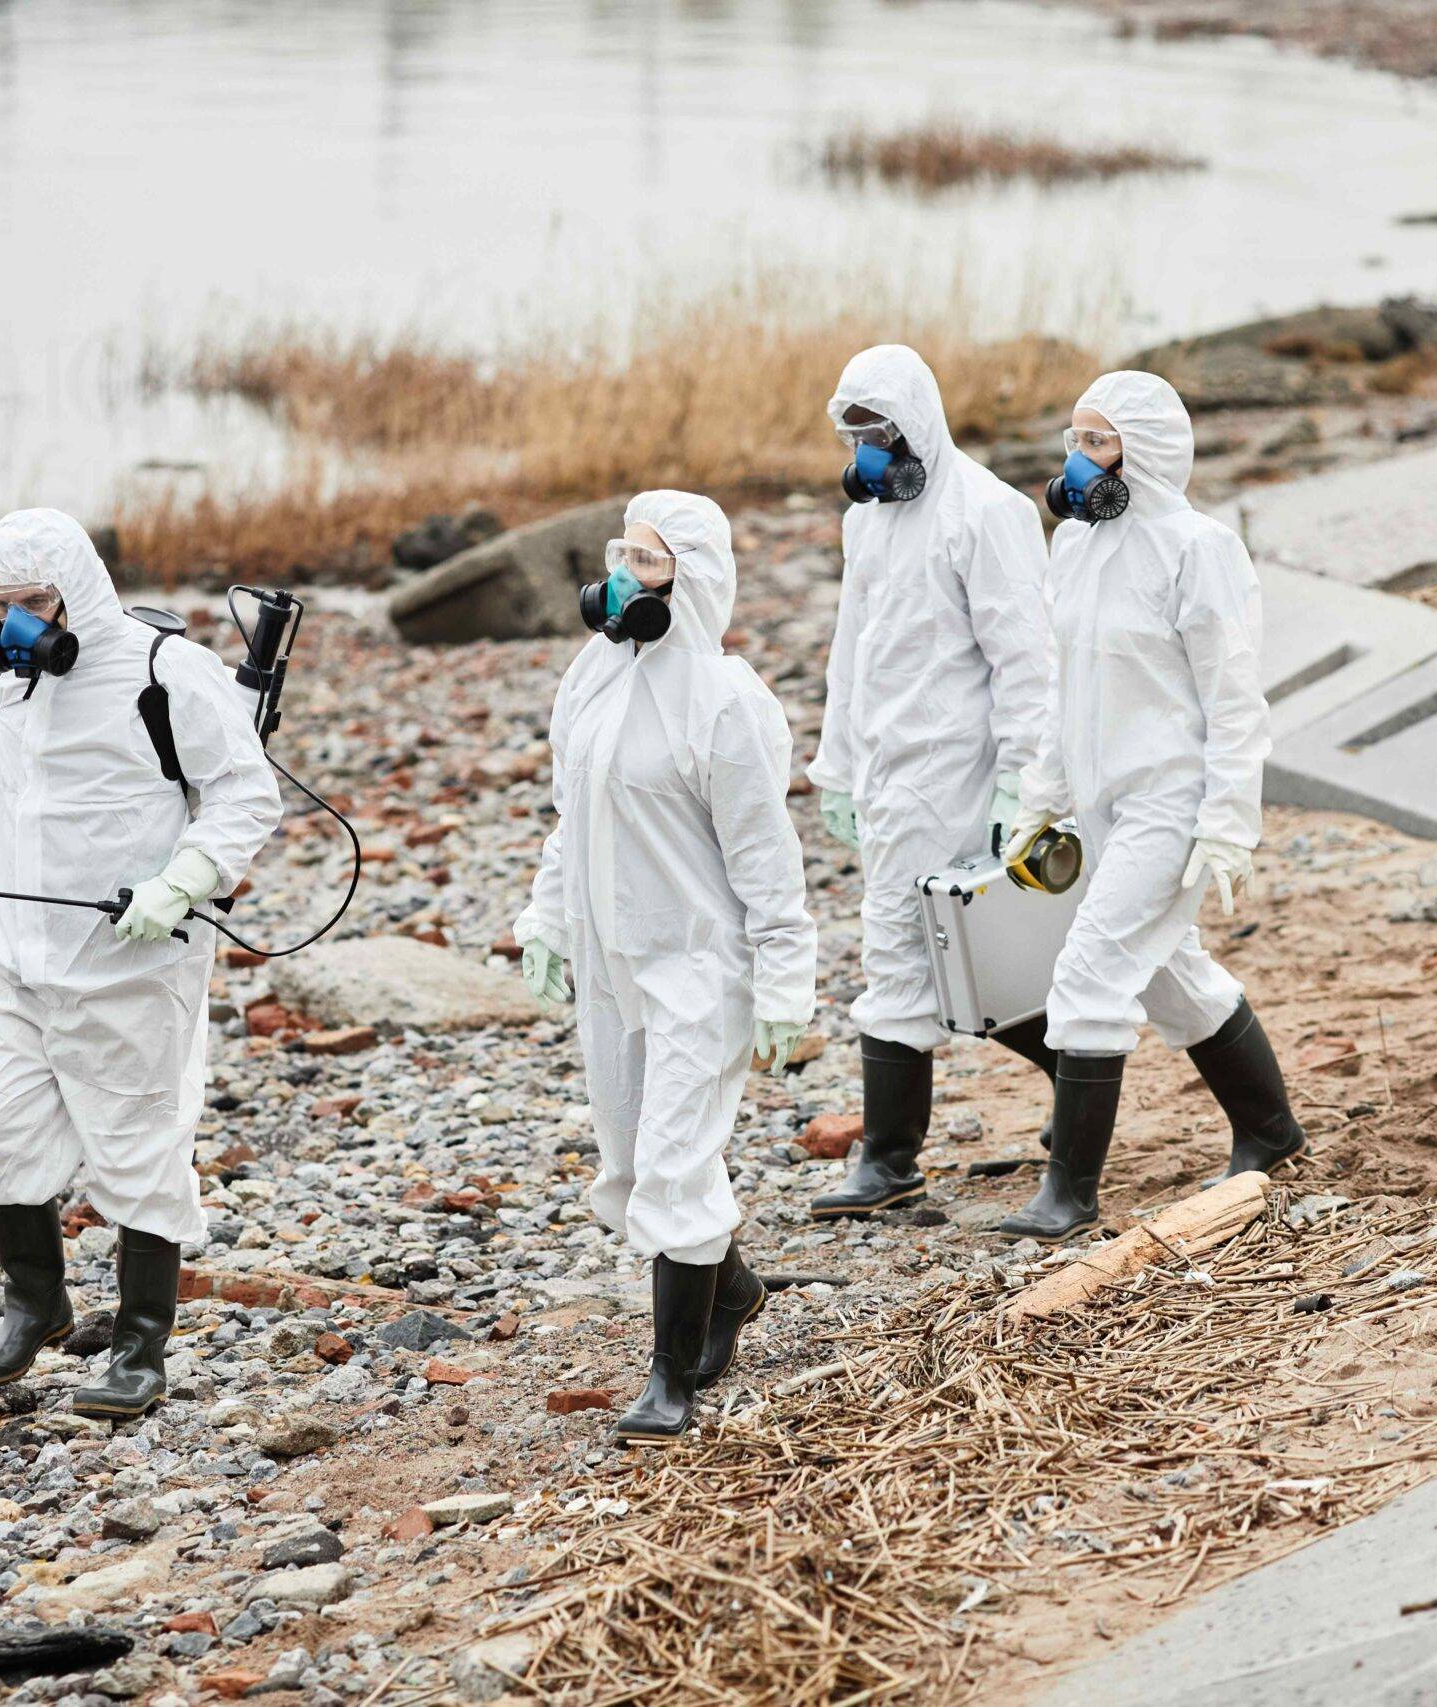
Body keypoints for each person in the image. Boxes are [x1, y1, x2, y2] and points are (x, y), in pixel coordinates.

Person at [0, 508, 282, 1417]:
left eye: (35, 601)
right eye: (1, 602)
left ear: (79, 591)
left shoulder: (164, 670)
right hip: (13, 953)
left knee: (140, 1148)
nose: (17, 621)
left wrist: (183, 881)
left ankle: (138, 1347)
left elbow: (247, 791)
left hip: (133, 956)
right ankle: (35, 1300)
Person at [516, 491, 817, 1445]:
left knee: (678, 1167)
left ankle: (670, 1375)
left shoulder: (729, 705)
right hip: (615, 961)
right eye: (619, 555)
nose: (620, 578)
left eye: (646, 563)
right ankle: (731, 1292)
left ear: (692, 579)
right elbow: (576, 816)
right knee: (632, 1163)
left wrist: (783, 981)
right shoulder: (594, 673)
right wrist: (546, 920)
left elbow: (768, 860)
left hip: (699, 965)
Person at [999, 372, 1304, 1241]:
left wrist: (1227, 821)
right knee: (1171, 976)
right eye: (1073, 436)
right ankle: (1272, 1131)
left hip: (1171, 802)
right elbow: (1069, 688)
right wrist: (1043, 798)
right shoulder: (1078, 547)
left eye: (1096, 440)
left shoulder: (1199, 548)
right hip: (1102, 804)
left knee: (1091, 974)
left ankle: (1071, 1194)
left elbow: (1234, 696)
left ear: (1147, 449)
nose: (1075, 456)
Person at [806, 345, 1056, 1220]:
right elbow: (852, 651)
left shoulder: (988, 512)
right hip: (884, 770)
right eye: (856, 431)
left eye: (882, 428)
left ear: (921, 419)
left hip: (961, 768)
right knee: (952, 956)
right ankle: (1079, 1075)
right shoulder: (867, 521)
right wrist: (834, 766)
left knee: (922, 953)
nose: (869, 446)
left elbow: (1027, 659)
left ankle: (888, 1157)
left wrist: (1022, 786)